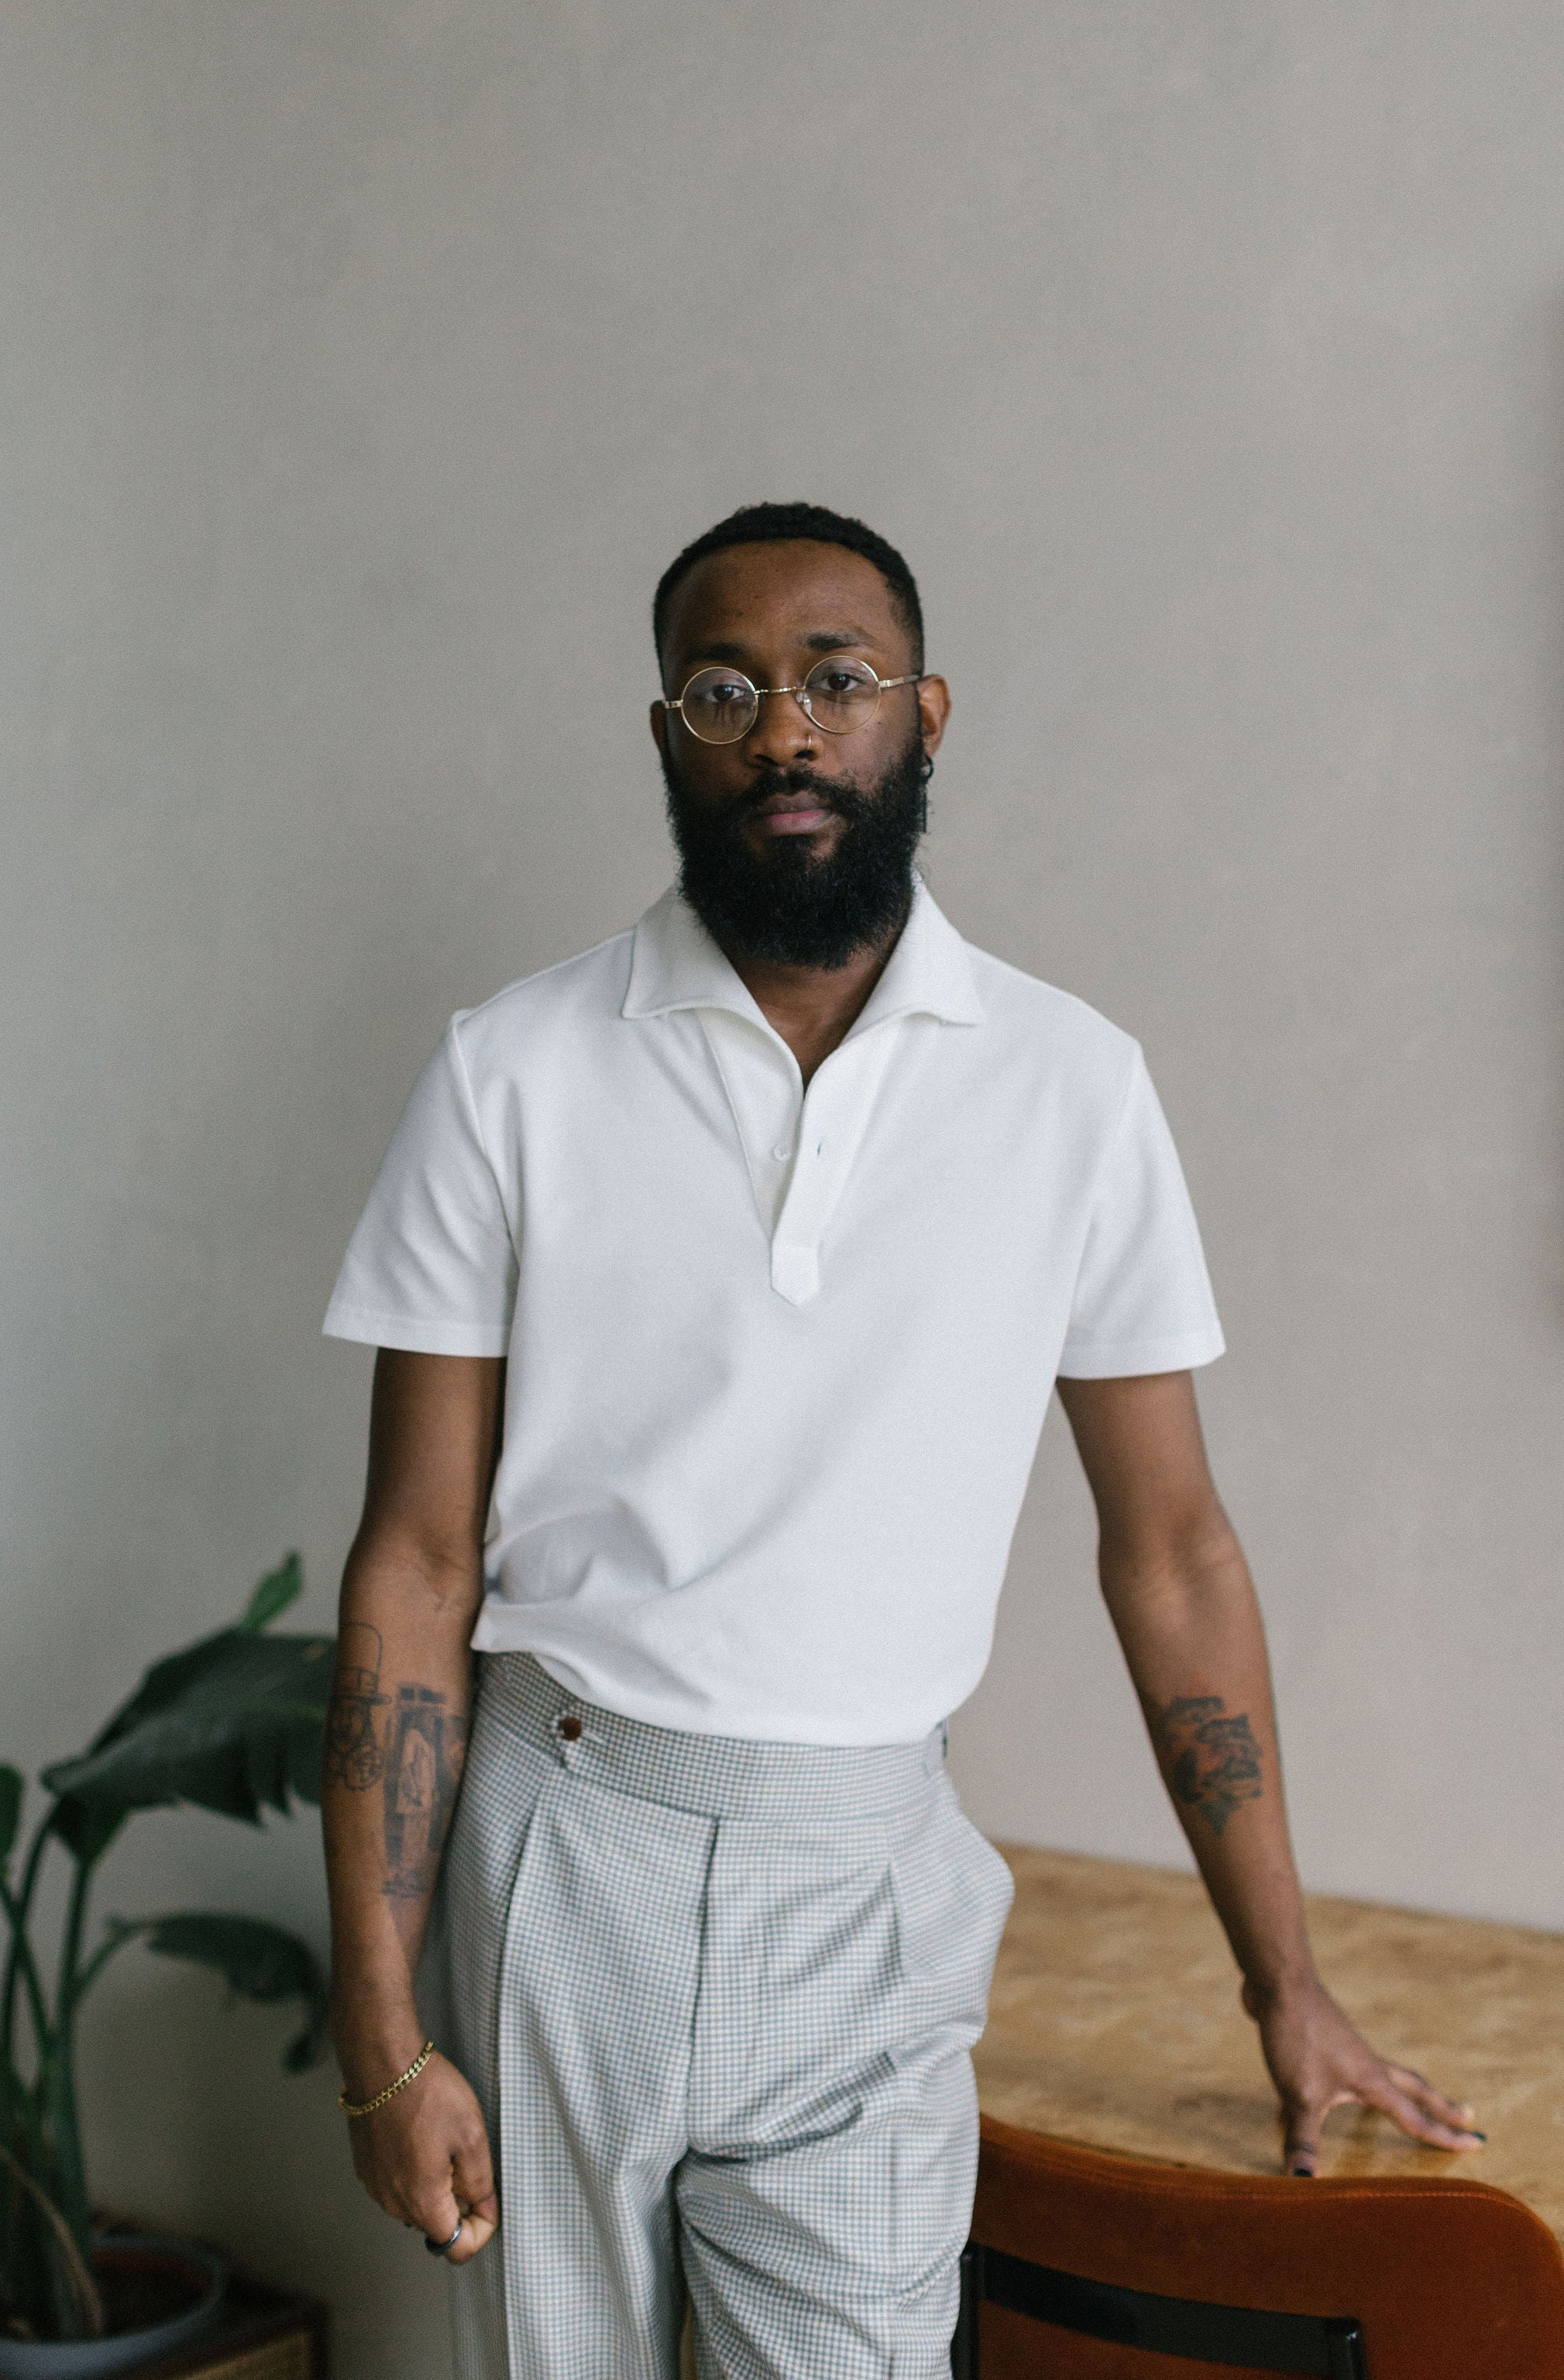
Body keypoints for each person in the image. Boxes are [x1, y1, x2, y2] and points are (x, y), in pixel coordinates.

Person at [319, 503, 1482, 2380]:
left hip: (870, 1879)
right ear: (666, 737)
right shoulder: (510, 1069)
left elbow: (1171, 1549)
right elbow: (417, 1559)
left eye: (835, 681)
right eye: (725, 688)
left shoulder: (1069, 1087)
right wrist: (384, 2037)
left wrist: (1288, 1987)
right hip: (565, 1859)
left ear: (923, 717)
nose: (785, 730)